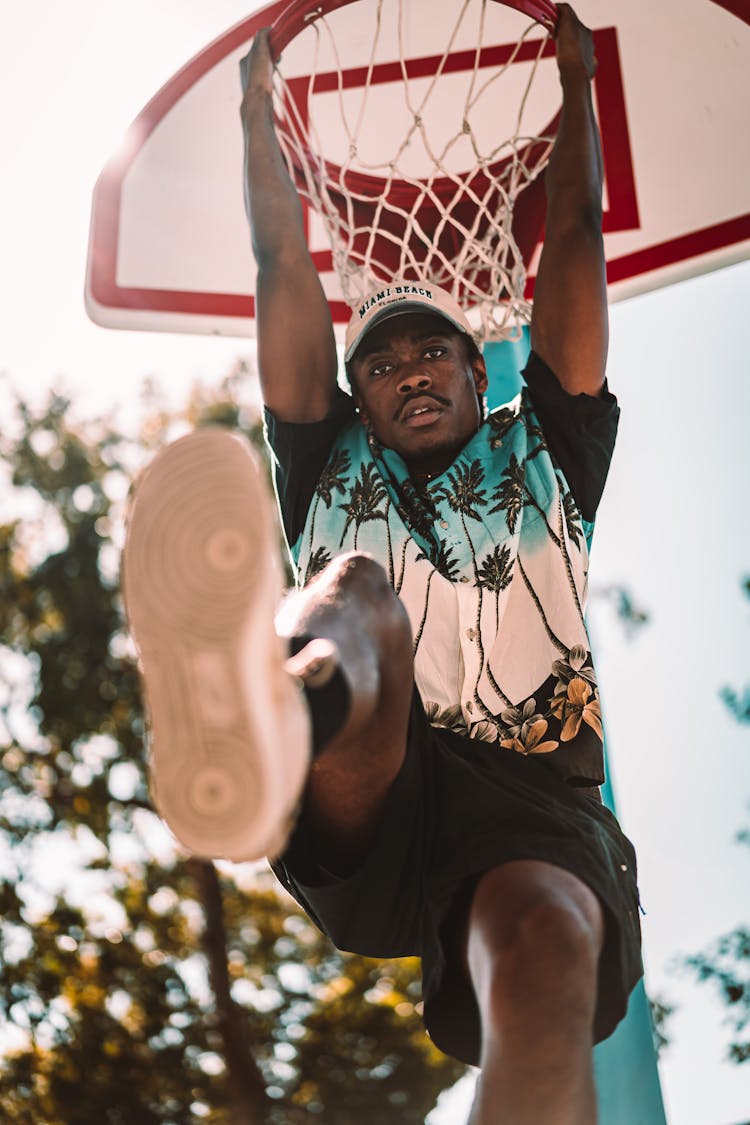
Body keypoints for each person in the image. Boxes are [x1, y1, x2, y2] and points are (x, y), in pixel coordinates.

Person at [122, 5, 643, 1122]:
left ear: (475, 368)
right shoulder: (325, 460)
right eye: (383, 359)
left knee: (550, 943)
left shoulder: (547, 449)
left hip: (531, 805)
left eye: (432, 350)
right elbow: (279, 258)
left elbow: (580, 228)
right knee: (358, 593)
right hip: (372, 764)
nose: (407, 366)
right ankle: (273, 718)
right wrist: (257, 114)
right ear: (356, 393)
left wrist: (577, 87)